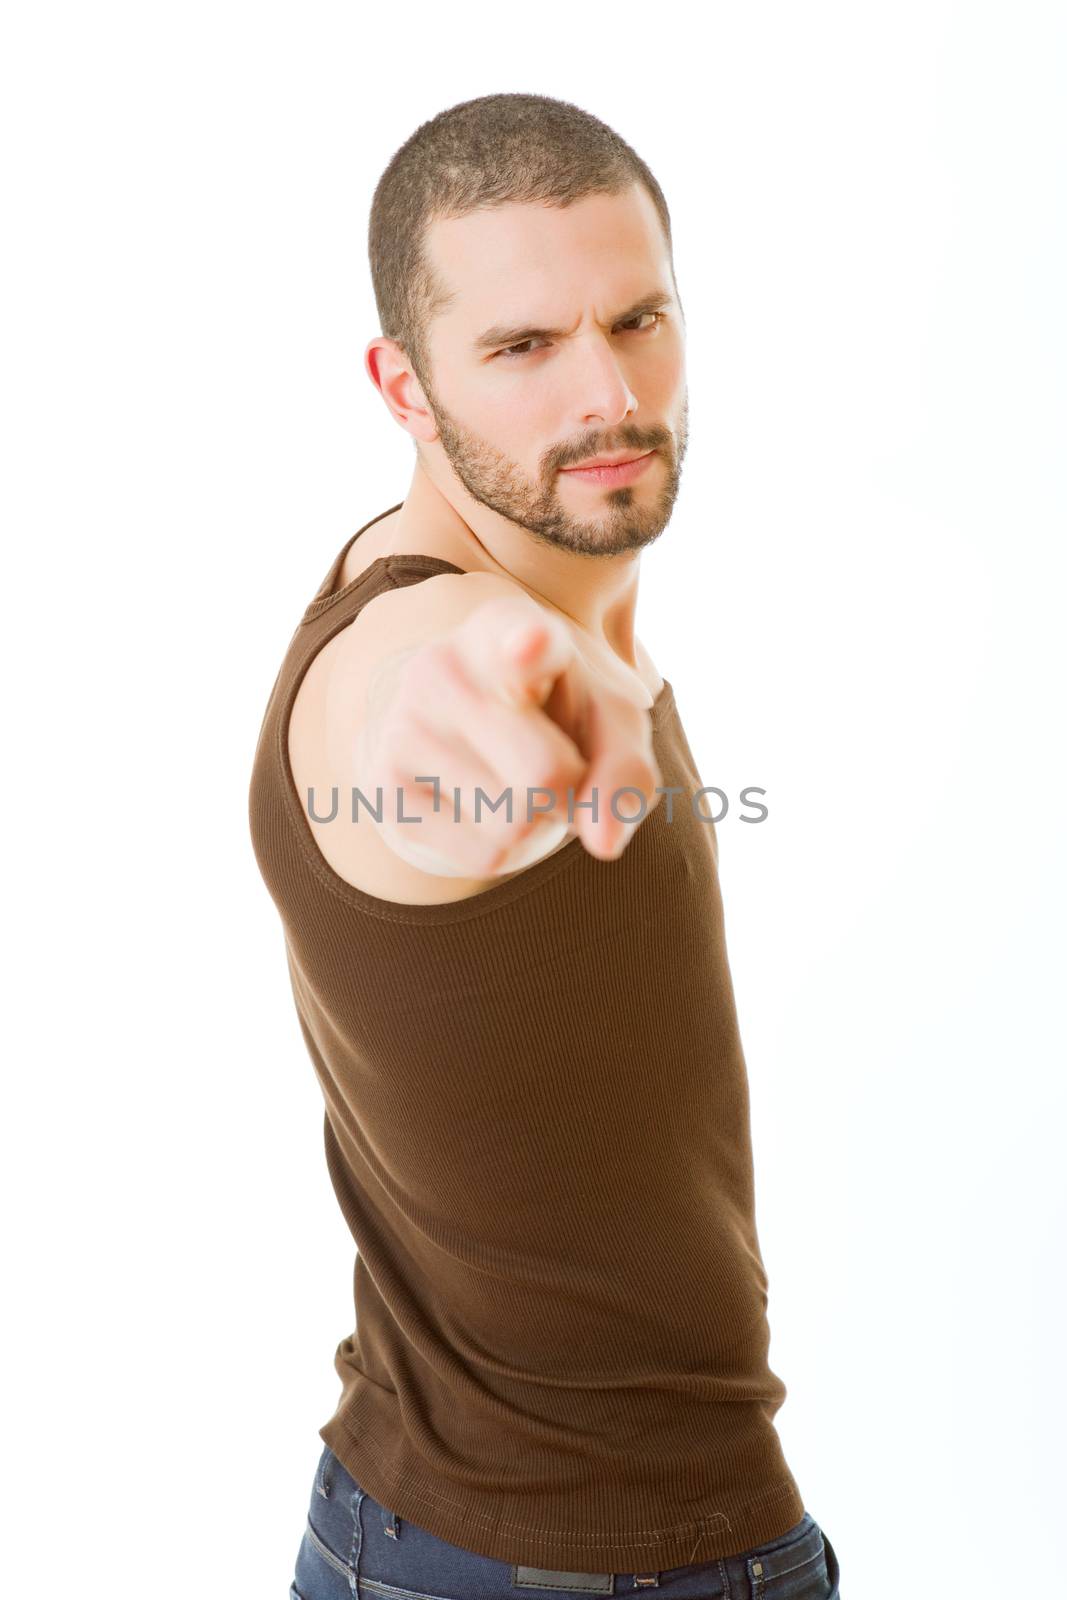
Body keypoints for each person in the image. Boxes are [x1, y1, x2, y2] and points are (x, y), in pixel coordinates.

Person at [249, 91, 841, 1600]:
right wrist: (472, 714)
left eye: (638, 319)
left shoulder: (518, 588)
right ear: (406, 384)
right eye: (521, 347)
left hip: (452, 1516)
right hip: (563, 1563)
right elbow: (408, 708)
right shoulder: (431, 638)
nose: (607, 391)